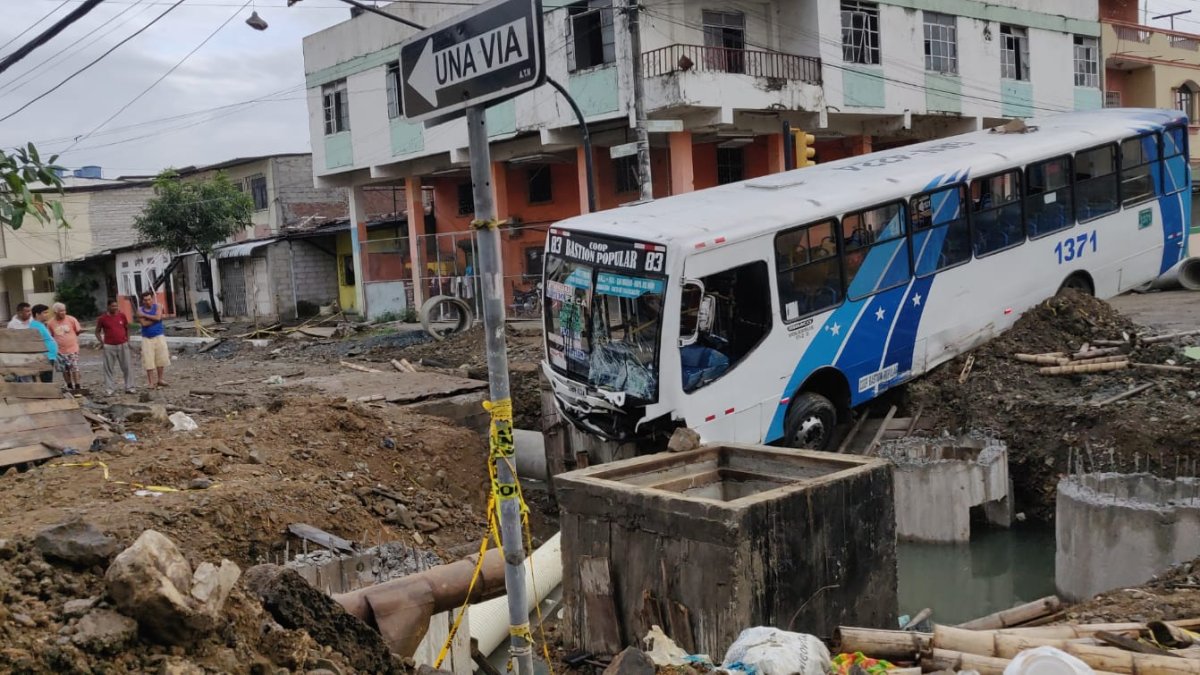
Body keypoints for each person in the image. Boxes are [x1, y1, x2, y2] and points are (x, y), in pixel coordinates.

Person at [95, 299, 136, 394]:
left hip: (123, 344)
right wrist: (102, 342)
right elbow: (97, 331)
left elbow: (127, 328)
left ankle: (129, 387)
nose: (115, 308)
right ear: (108, 307)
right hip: (109, 346)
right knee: (108, 368)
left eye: (116, 306)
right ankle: (110, 389)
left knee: (127, 367)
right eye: (113, 306)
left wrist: (128, 340)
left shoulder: (122, 316)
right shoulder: (102, 318)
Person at [136, 291, 170, 388]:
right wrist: (156, 318)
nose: (148, 302)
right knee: (148, 360)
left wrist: (146, 315)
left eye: (149, 299)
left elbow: (158, 317)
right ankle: (151, 382)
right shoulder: (140, 309)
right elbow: (144, 324)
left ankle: (160, 379)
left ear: (152, 299)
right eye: (145, 300)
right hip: (147, 338)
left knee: (161, 358)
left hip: (159, 335)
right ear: (142, 301)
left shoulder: (158, 306)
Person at [47, 302, 83, 391]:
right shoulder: (50, 323)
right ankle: (69, 385)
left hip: (72, 349)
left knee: (75, 367)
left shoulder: (71, 319)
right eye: (61, 311)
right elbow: (50, 336)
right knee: (65, 370)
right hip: (59, 351)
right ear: (55, 312)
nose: (63, 312)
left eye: (64, 310)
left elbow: (78, 331)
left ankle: (77, 386)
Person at [28, 304, 57, 383]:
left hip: (48, 356)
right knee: (46, 380)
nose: (47, 315)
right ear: (37, 314)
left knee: (47, 378)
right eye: (45, 313)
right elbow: (35, 343)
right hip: (44, 357)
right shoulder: (35, 326)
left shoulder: (40, 325)